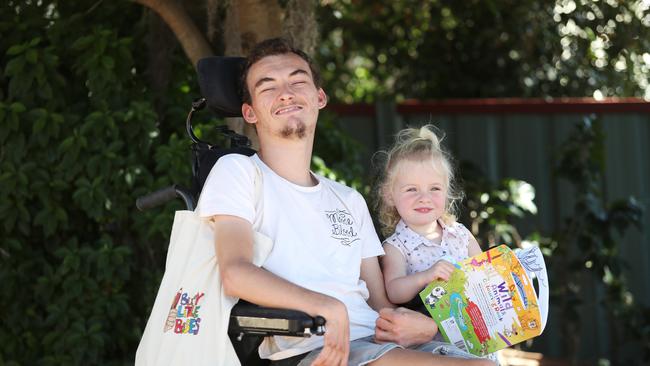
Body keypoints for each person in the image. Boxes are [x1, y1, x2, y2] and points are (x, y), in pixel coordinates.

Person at [198, 38, 493, 366]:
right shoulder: (239, 171)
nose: (285, 92)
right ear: (249, 112)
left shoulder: (348, 200)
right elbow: (235, 273)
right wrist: (327, 307)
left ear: (319, 97)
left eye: (298, 81)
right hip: (314, 350)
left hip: (376, 342)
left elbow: (380, 304)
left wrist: (425, 325)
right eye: (267, 87)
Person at [375, 125, 496, 362]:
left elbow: (486, 276)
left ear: (447, 192)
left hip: (475, 335)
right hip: (429, 346)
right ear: (390, 195)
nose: (424, 197)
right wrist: (426, 276)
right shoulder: (396, 246)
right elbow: (394, 290)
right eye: (411, 189)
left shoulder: (460, 235)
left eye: (434, 188)